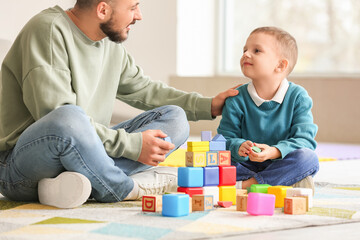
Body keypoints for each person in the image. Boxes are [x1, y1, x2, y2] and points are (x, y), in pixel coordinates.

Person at [0, 0, 239, 208]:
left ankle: (73, 185)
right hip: (19, 165)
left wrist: (206, 105)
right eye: (133, 7)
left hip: (85, 154)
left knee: (175, 119)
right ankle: (126, 188)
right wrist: (132, 144)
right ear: (103, 10)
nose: (139, 15)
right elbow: (55, 118)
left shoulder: (110, 43)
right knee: (69, 117)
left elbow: (145, 90)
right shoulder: (48, 30)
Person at [217, 26, 319, 192]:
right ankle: (279, 183)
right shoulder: (236, 98)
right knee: (208, 158)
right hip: (245, 164)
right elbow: (225, 138)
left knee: (308, 158)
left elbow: (305, 141)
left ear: (280, 65)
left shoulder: (298, 97)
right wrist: (239, 146)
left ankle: (249, 186)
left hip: (281, 163)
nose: (245, 54)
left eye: (256, 50)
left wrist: (274, 151)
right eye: (244, 50)